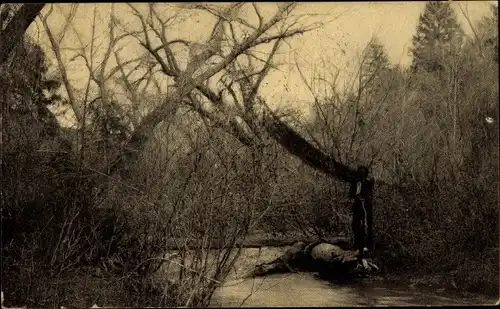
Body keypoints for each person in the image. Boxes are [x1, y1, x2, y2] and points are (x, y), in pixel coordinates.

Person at [349, 165, 374, 258]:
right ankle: (357, 245)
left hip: (366, 207)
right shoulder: (355, 182)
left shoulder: (369, 183)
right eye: (360, 173)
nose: (361, 175)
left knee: (367, 226)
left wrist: (364, 198)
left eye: (363, 173)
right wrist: (355, 197)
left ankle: (367, 246)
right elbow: (351, 193)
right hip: (357, 206)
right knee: (355, 225)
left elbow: (369, 194)